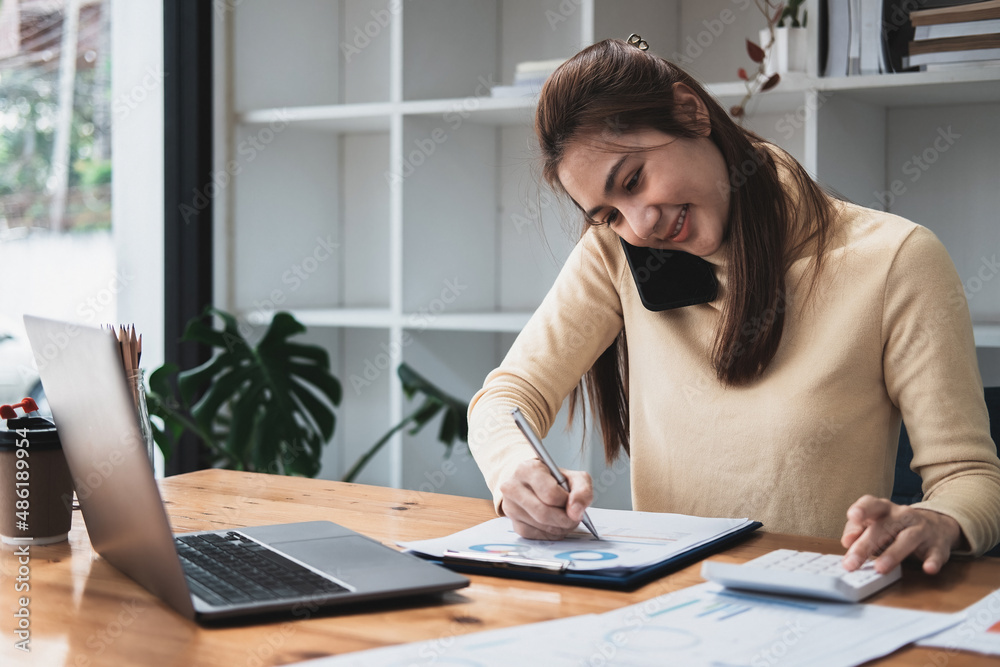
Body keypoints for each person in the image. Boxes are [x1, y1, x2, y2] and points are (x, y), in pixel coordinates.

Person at [466, 37, 1000, 576]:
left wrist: (936, 521)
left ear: (690, 113)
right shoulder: (618, 254)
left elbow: (970, 478)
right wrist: (515, 469)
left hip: (820, 617)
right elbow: (507, 397)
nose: (640, 225)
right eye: (610, 213)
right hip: (666, 613)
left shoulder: (895, 260)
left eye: (634, 180)